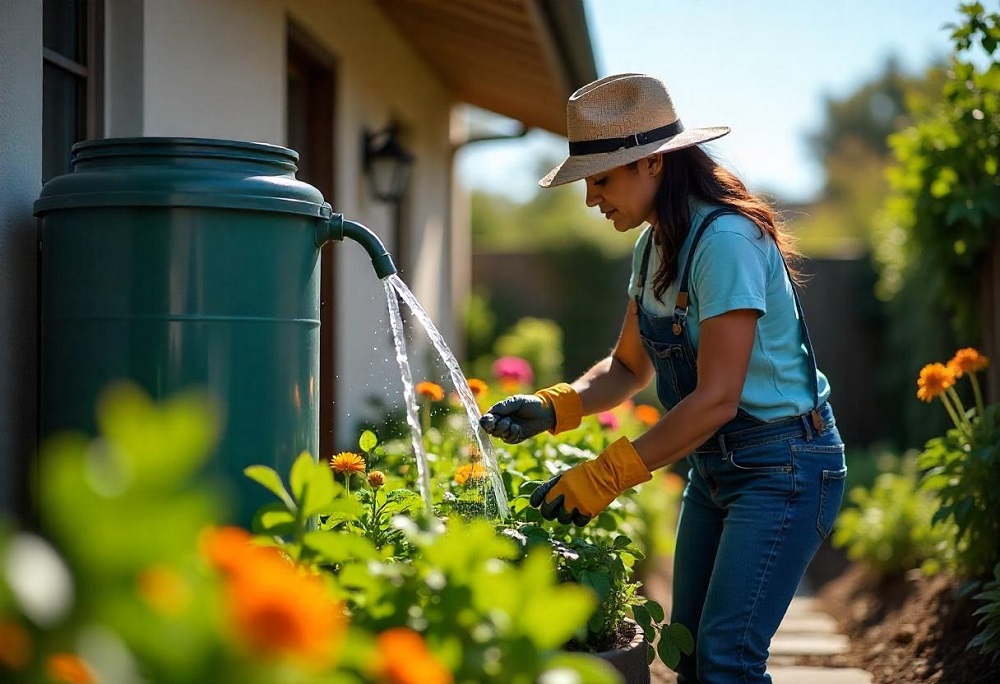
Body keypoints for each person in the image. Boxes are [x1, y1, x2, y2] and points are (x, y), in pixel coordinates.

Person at [479, 73, 847, 683]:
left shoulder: (725, 241)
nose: (592, 200)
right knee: (693, 658)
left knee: (729, 660)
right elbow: (627, 367)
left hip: (784, 466)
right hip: (716, 470)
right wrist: (554, 406)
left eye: (600, 180)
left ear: (651, 163)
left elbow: (718, 399)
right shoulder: (653, 248)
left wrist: (606, 475)